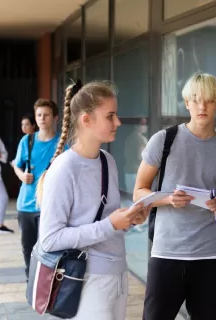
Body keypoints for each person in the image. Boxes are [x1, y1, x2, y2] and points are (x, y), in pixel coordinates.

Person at [37, 80, 150, 320]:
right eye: (110, 116)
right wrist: (111, 224)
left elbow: (104, 217)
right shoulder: (64, 168)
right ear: (86, 120)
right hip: (86, 281)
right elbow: (50, 239)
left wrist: (129, 218)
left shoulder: (107, 160)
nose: (117, 122)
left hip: (118, 272)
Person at [135, 73, 216, 320]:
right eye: (195, 100)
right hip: (167, 252)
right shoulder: (163, 141)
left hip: (212, 257)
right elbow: (138, 192)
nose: (202, 106)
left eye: (208, 100)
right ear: (186, 103)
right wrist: (167, 199)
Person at [12, 98, 61, 280]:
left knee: (49, 247)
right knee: (28, 247)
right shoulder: (27, 141)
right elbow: (16, 165)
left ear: (55, 118)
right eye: (39, 115)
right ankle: (30, 280)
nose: (42, 118)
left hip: (50, 205)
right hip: (26, 203)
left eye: (46, 115)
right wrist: (21, 175)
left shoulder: (62, 143)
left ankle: (47, 283)